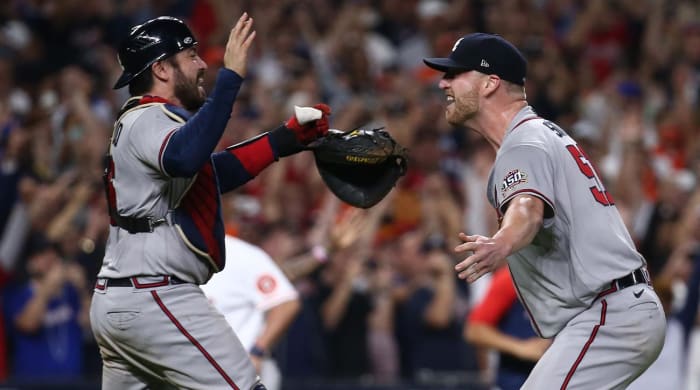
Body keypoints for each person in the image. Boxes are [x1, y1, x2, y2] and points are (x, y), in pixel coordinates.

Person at [89, 13, 331, 390]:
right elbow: (187, 156)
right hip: (156, 295)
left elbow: (210, 172)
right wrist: (231, 78)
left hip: (123, 298)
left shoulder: (145, 123)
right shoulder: (149, 117)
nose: (203, 65)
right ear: (162, 69)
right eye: (191, 56)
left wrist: (284, 140)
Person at [423, 33, 666, 389]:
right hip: (616, 309)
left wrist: (502, 241)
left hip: (609, 315)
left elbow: (528, 209)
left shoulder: (523, 143)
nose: (443, 82)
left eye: (455, 73)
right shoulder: (541, 134)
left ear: (490, 83)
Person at [200, 235, 301, 390]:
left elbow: (287, 303)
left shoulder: (240, 253)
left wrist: (257, 351)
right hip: (194, 370)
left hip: (239, 372)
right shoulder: (169, 254)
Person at [3, 234, 90, 384]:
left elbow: (91, 323)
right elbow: (28, 325)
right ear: (30, 262)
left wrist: (82, 288)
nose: (50, 259)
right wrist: (47, 288)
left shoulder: (70, 292)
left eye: (53, 254)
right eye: (42, 255)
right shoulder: (17, 293)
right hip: (32, 384)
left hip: (72, 382)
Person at [465, 264, 549, 390]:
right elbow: (474, 329)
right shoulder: (512, 276)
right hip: (516, 378)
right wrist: (521, 348)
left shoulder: (570, 279)